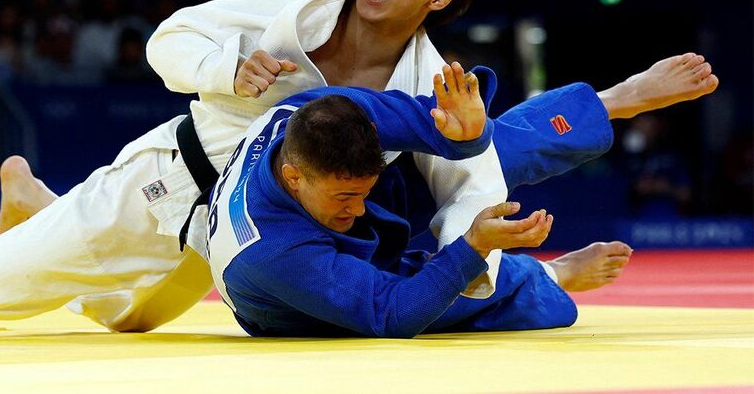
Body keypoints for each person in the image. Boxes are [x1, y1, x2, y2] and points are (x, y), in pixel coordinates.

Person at [0, 0, 718, 332]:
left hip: (240, 234)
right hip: (173, 178)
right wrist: (228, 69)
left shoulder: (428, 83)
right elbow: (166, 40)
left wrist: (484, 253)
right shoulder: (292, 1)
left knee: (130, 319)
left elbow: (471, 175)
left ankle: (41, 208)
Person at [206, 65, 627, 337]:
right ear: (293, 176)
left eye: (362, 193)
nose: (356, 210)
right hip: (288, 305)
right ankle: (549, 277)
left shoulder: (312, 111)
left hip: (304, 223)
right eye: (346, 197)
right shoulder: (275, 253)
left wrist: (467, 132)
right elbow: (395, 313)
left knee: (486, 155)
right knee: (435, 294)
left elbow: (427, 122)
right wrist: (473, 246)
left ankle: (610, 102)